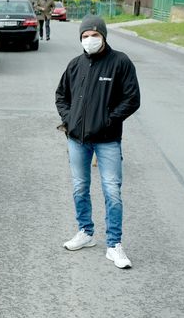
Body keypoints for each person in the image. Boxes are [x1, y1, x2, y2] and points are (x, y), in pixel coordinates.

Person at [54, 15, 141, 269]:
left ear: (103, 36)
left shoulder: (120, 62)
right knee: (80, 187)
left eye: (94, 35)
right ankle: (85, 232)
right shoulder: (75, 65)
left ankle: (114, 245)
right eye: (85, 36)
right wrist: (69, 119)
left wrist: (108, 120)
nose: (89, 40)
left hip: (107, 140)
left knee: (112, 191)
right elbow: (61, 95)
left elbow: (132, 99)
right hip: (77, 140)